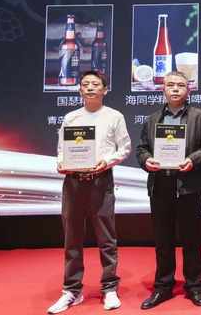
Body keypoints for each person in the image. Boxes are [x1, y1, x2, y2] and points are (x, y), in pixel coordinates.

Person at [48, 71, 131, 313]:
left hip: (100, 181)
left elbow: (125, 148)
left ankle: (109, 288)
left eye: (96, 84)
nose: (90, 88)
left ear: (105, 89)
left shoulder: (114, 116)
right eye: (85, 84)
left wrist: (107, 162)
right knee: (72, 238)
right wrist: (61, 163)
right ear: (80, 90)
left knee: (106, 238)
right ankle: (71, 290)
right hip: (73, 183)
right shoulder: (71, 117)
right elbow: (61, 150)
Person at [136, 71, 201, 309]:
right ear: (163, 89)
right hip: (160, 186)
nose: (176, 89)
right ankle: (163, 286)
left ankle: (194, 286)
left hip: (188, 186)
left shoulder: (199, 117)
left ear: (188, 90)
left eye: (181, 85)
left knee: (191, 239)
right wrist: (146, 160)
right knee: (163, 240)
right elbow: (142, 148)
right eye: (171, 85)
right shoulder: (152, 119)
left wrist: (192, 159)